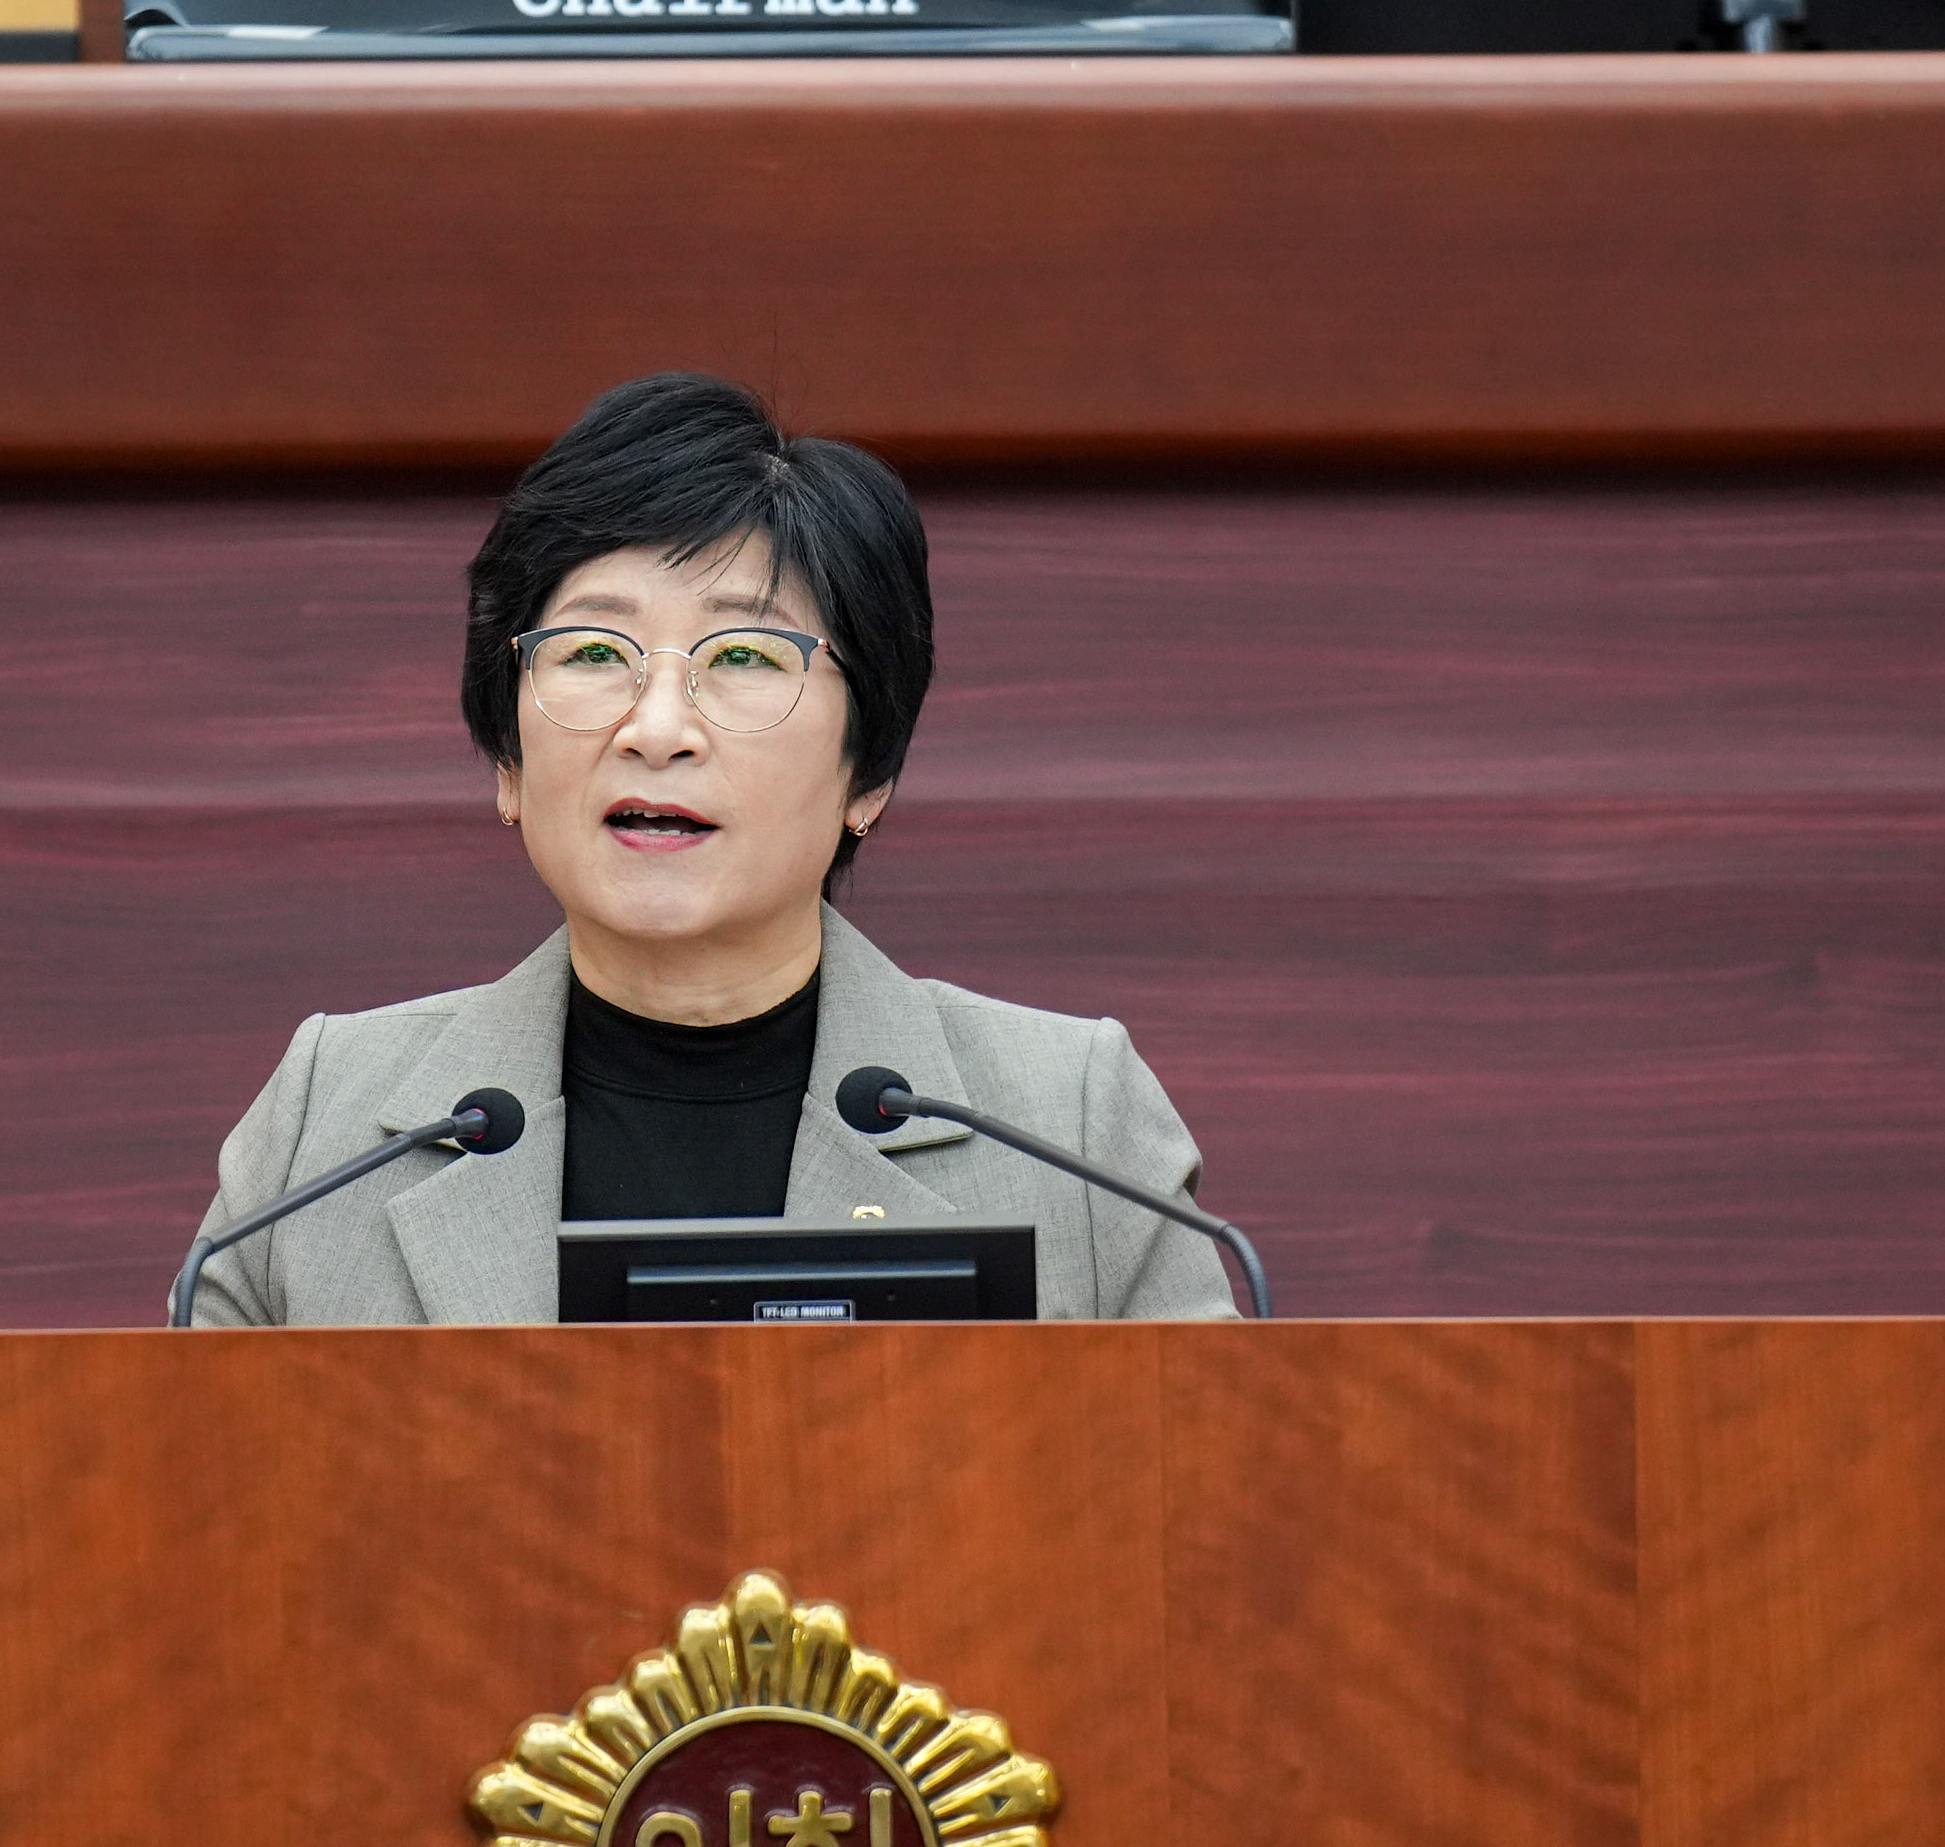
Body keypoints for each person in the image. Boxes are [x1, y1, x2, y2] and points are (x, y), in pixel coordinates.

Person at [183, 372, 1227, 1326]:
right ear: (507, 757)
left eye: (745, 654)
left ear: (869, 773)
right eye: (594, 650)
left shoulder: (1067, 1126)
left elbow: (1208, 1508)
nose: (657, 725)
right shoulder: (334, 1124)